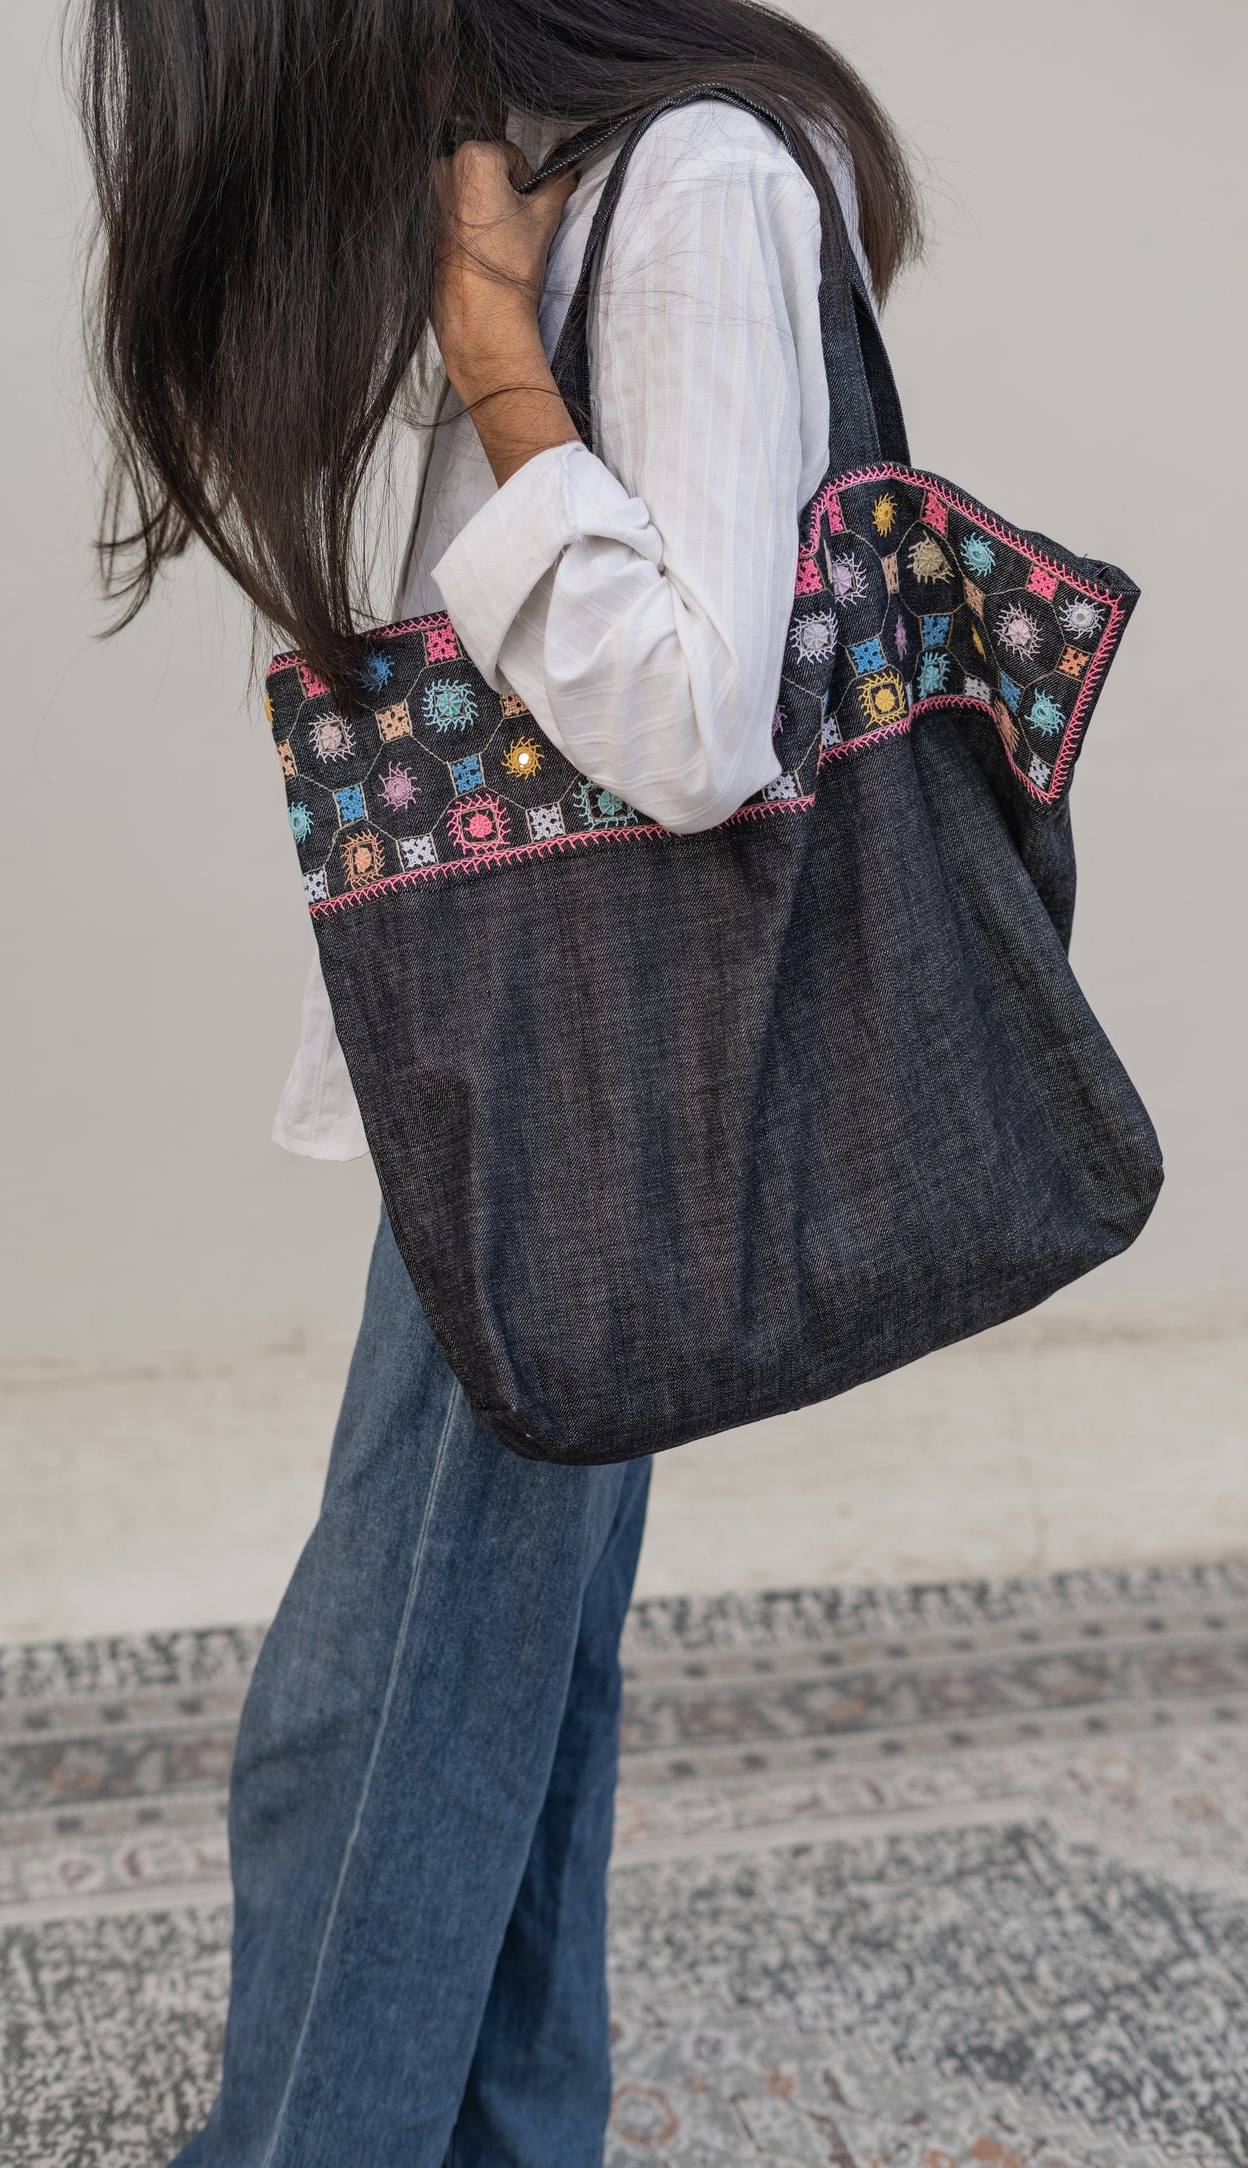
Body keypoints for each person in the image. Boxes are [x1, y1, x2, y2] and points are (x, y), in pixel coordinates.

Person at [78, 3, 920, 2160]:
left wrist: (493, 356)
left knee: (371, 1725)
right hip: (538, 1068)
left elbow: (703, 716)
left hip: (575, 1094)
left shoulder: (698, 180)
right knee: (506, 1715)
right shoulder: (572, 164)